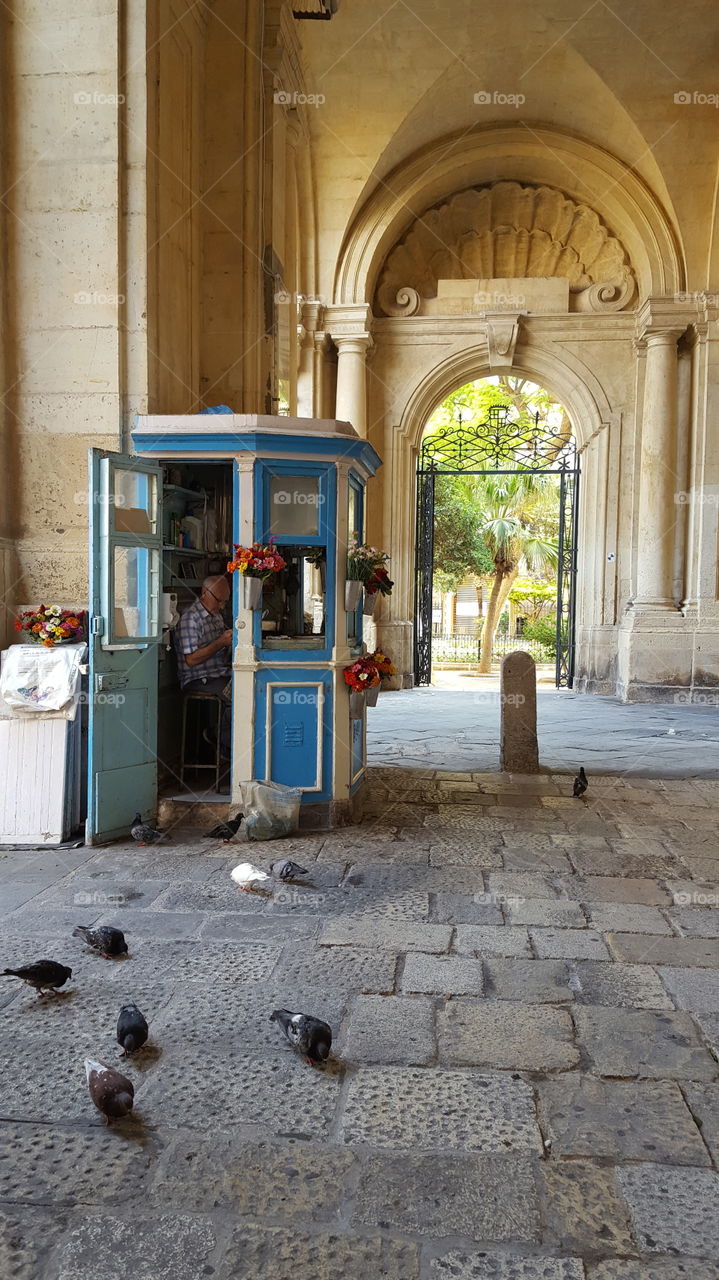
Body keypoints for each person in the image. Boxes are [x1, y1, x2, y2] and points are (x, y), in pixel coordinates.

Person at [175, 574, 233, 784]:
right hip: (198, 677)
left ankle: (220, 737)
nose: (222, 605)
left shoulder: (216, 614)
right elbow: (191, 660)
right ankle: (224, 743)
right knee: (237, 694)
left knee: (250, 687)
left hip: (219, 672)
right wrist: (220, 642)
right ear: (204, 593)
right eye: (219, 600)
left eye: (225, 600)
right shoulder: (191, 619)